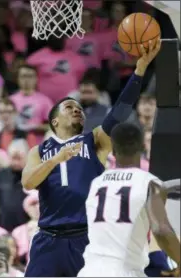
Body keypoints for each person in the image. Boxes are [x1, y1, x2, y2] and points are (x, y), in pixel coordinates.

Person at [22, 40, 161, 277]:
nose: (77, 109)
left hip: (85, 238)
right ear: (54, 121)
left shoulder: (93, 140)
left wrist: (139, 70)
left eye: (79, 108)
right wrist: (55, 160)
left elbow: (120, 111)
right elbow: (28, 182)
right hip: (48, 239)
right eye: (69, 107)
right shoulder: (40, 150)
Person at [78, 123, 180, 277]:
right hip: (125, 272)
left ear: (113, 149)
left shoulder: (96, 183)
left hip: (89, 271)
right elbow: (161, 230)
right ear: (143, 146)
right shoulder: (150, 184)